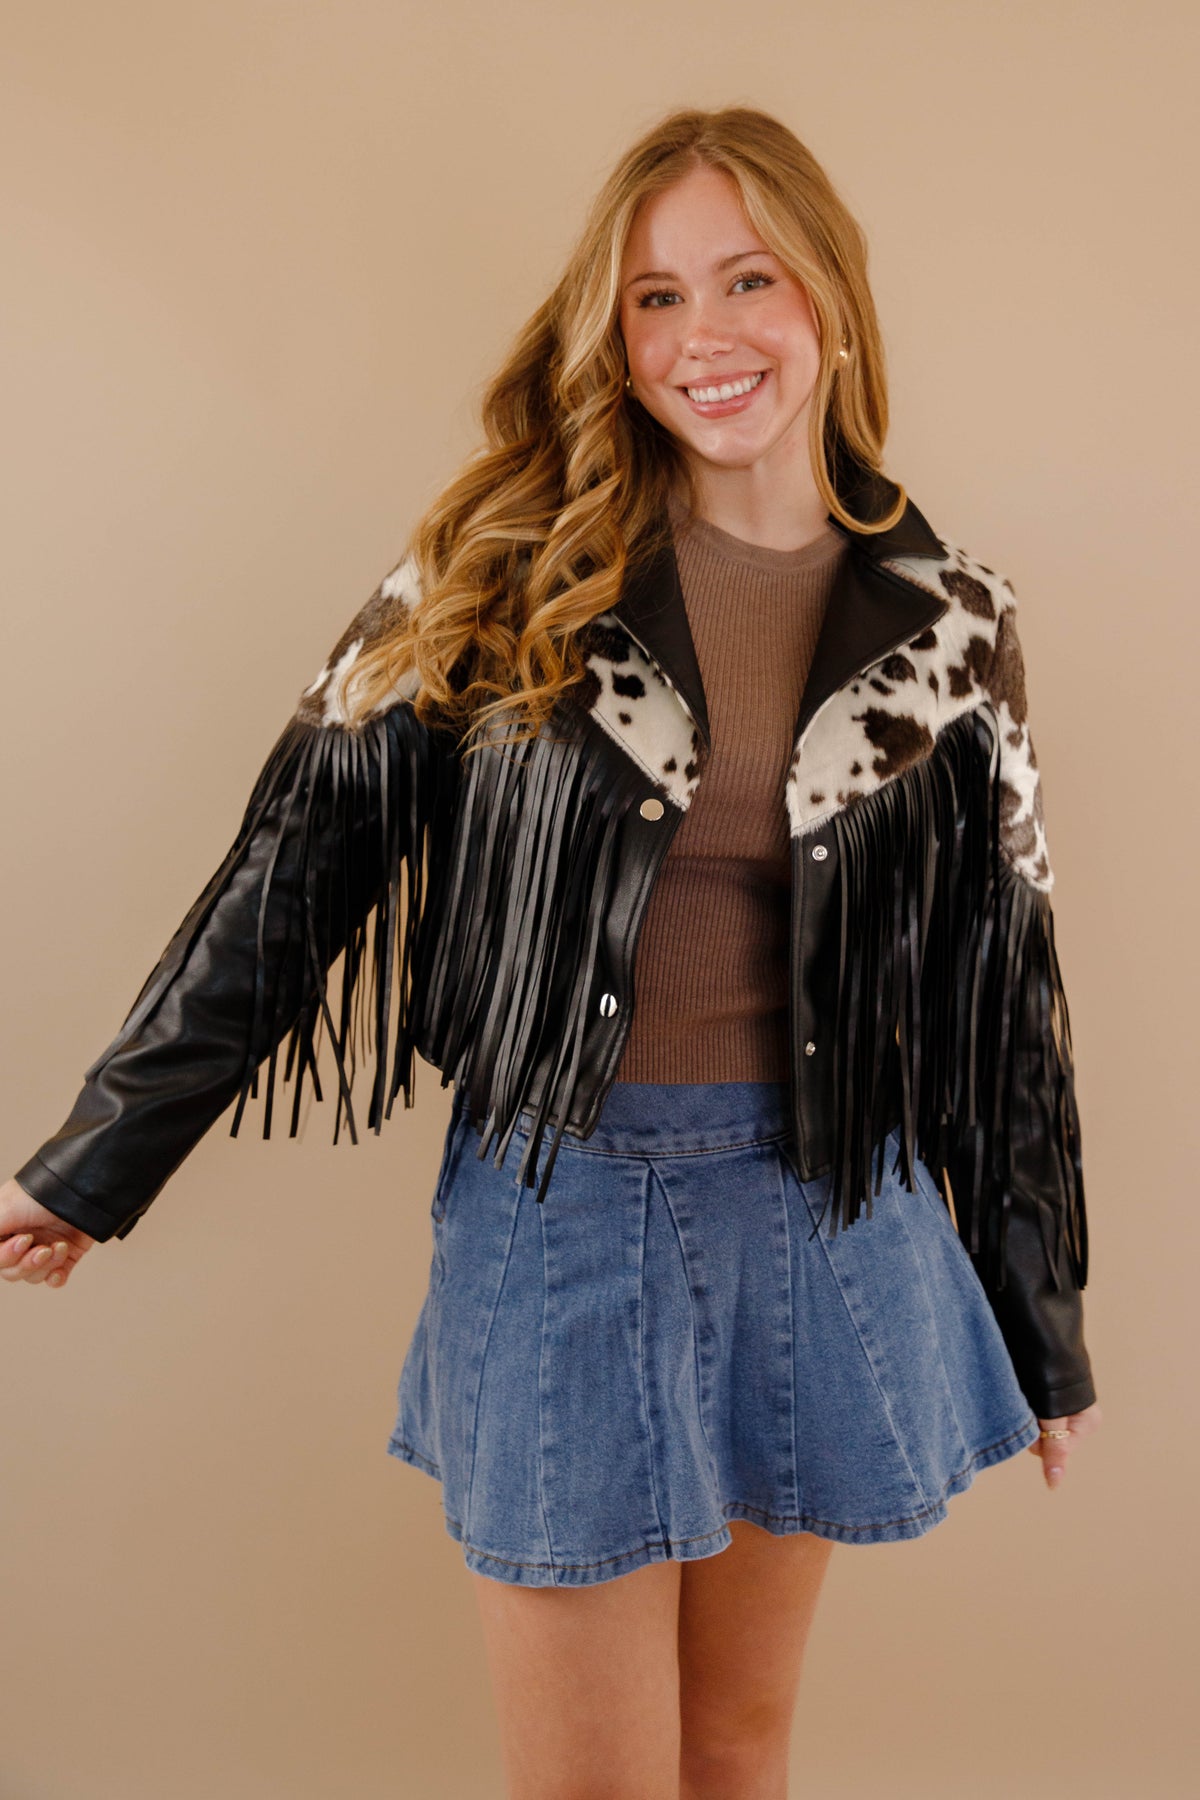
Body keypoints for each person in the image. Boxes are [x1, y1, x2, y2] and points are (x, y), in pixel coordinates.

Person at [2, 105, 1101, 1798]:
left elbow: (1001, 980)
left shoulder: (953, 620)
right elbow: (296, 873)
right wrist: (93, 1162)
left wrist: (1043, 1321)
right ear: (614, 334)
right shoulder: (502, 568)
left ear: (831, 298)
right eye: (655, 297)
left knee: (736, 1753)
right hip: (565, 1210)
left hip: (822, 1205)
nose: (703, 332)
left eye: (747, 278)